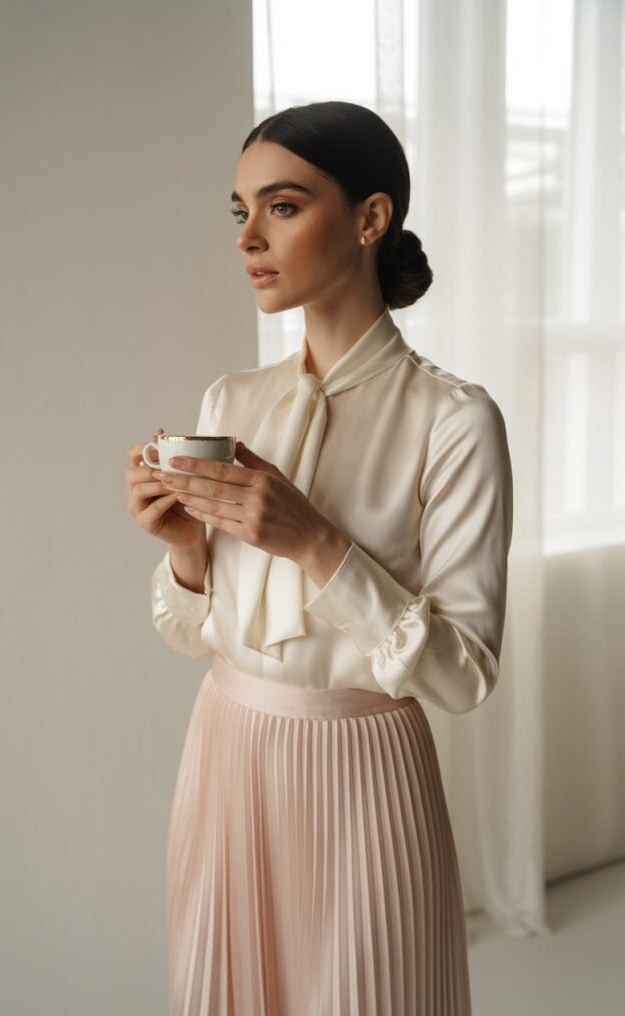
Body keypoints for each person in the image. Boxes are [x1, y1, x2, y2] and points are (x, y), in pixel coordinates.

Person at [126, 101, 513, 1016]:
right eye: (239, 211)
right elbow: (197, 632)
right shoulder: (232, 399)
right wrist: (186, 553)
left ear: (370, 219)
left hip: (365, 772)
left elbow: (465, 677)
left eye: (283, 206)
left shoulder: (454, 422)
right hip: (226, 751)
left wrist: (315, 542)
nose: (248, 237)